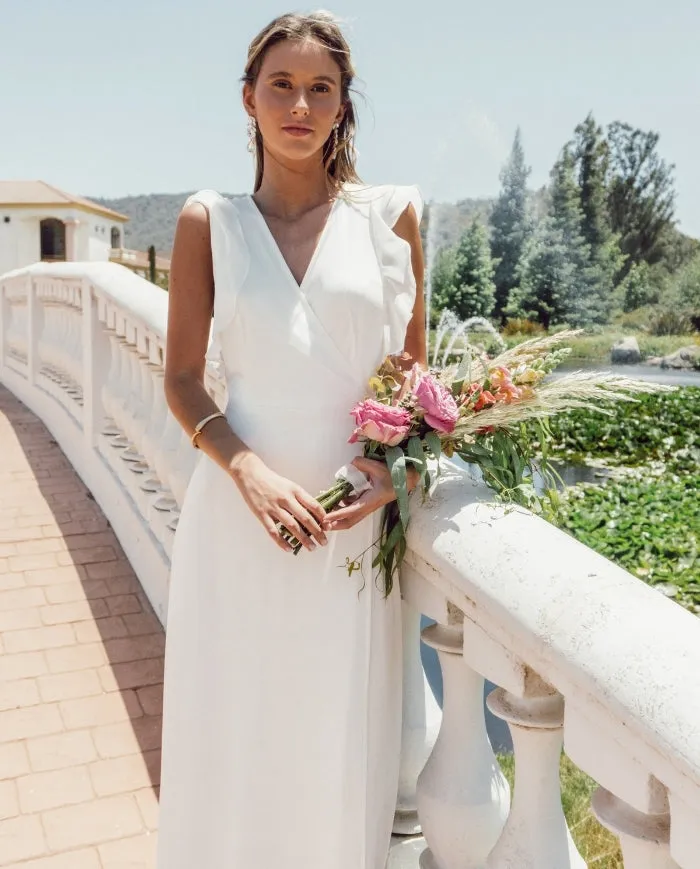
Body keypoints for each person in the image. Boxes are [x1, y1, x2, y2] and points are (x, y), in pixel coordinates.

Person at [157, 11, 426, 869]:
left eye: (321, 88)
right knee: (234, 732)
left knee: (333, 738)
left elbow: (410, 382)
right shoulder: (209, 221)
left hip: (350, 533)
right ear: (249, 100)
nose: (300, 104)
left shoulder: (395, 217)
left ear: (345, 106)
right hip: (239, 523)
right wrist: (248, 473)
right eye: (282, 85)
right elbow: (182, 379)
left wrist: (387, 471)